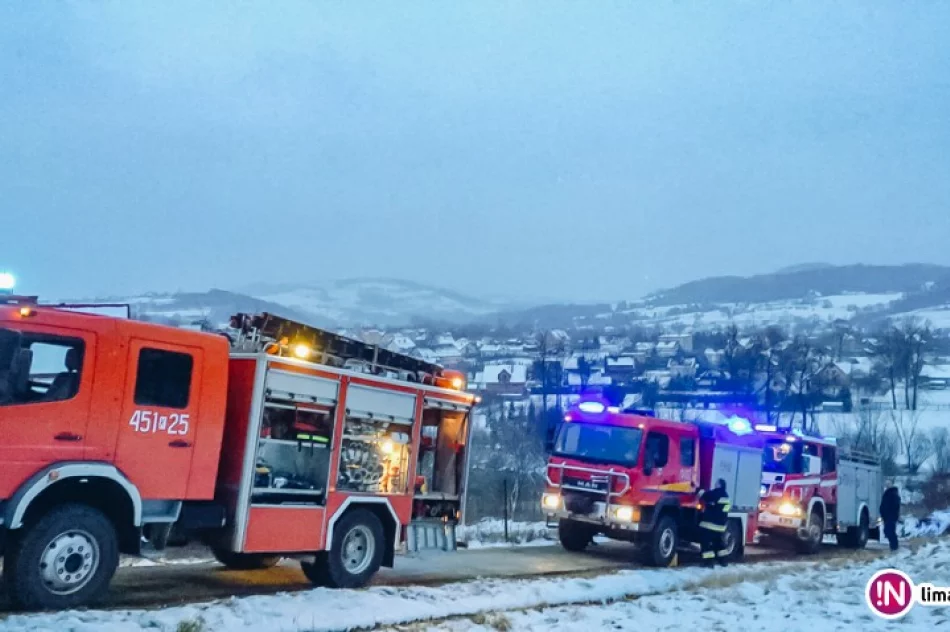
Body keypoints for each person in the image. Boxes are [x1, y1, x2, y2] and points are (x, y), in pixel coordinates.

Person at [698, 478, 732, 566]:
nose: (715, 484)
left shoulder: (717, 493)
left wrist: (699, 491)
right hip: (721, 525)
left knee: (706, 542)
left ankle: (708, 562)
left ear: (719, 485)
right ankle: (723, 561)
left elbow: (706, 496)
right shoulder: (726, 495)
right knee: (719, 543)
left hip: (710, 524)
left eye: (716, 483)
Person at [880, 481, 901, 552]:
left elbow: (895, 505)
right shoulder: (887, 493)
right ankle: (893, 546)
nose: (887, 486)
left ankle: (894, 546)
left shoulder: (893, 494)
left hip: (891, 516)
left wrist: (891, 514)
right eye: (886, 485)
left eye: (888, 485)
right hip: (887, 516)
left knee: (890, 531)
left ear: (891, 485)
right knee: (887, 531)